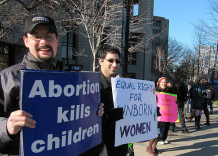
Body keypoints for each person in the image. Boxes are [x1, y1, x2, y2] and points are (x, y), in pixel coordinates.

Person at [0, 15, 104, 156]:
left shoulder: (69, 79)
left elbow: (75, 117)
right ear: (26, 41)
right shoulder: (8, 78)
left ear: (56, 40)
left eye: (49, 36)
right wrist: (7, 127)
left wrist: (93, 112)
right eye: (36, 37)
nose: (43, 42)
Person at [87, 45, 128, 156]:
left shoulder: (122, 86)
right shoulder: (89, 86)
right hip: (102, 147)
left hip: (120, 145)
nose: (115, 65)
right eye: (110, 60)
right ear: (100, 61)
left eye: (117, 61)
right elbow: (83, 120)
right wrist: (107, 118)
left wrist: (150, 114)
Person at [156, 77, 172, 145]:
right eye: (162, 82)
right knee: (160, 125)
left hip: (167, 111)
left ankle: (164, 138)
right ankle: (159, 138)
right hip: (159, 111)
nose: (164, 84)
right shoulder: (156, 90)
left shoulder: (168, 90)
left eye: (165, 82)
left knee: (166, 125)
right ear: (159, 83)